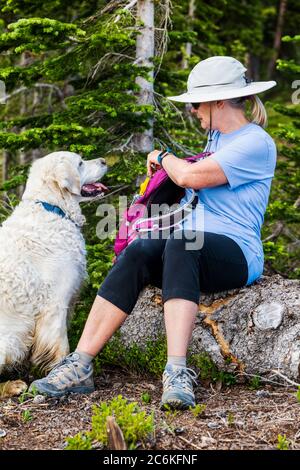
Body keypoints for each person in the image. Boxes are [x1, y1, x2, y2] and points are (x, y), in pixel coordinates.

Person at [30, 56, 277, 409]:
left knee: (182, 242)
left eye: (195, 103)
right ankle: (80, 363)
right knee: (140, 250)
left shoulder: (256, 142)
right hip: (192, 249)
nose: (192, 110)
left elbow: (191, 177)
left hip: (238, 252)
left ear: (219, 101)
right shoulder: (217, 139)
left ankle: (176, 371)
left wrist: (163, 157)